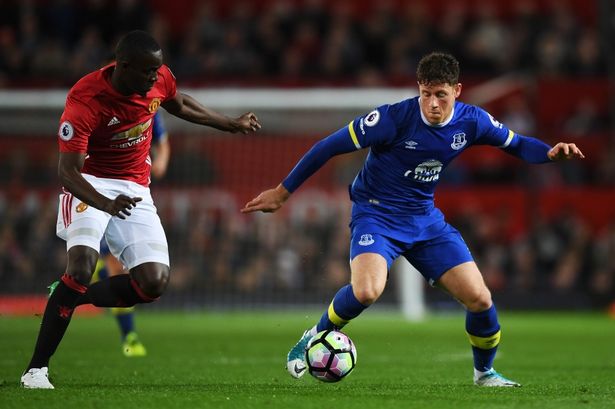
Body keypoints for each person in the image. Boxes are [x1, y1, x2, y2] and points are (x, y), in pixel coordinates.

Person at [241, 52, 584, 387]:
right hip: (376, 214)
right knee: (367, 291)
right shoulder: (392, 119)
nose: (432, 104)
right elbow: (327, 147)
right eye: (426, 94)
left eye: (441, 95)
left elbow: (518, 144)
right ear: (418, 88)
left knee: (480, 299)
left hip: (424, 220)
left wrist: (549, 153)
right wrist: (283, 192)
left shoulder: (472, 121)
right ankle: (315, 334)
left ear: (457, 91)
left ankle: (485, 374)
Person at [21, 30, 261, 389]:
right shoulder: (86, 100)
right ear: (124, 66)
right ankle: (35, 370)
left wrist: (231, 123)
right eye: (147, 71)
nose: (154, 77)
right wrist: (105, 204)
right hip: (90, 182)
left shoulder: (158, 78)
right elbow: (68, 172)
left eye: (157, 70)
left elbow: (181, 104)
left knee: (153, 283)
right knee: (82, 266)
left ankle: (70, 295)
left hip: (135, 188)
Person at [46, 111, 170, 358]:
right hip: (95, 192)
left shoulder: (148, 107)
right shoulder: (94, 106)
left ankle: (124, 332)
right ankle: (127, 334)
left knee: (115, 272)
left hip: (130, 192)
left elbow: (162, 142)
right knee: (95, 267)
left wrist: (161, 161)